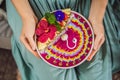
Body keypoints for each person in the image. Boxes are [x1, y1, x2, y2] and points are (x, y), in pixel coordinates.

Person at [6, 0, 120, 80]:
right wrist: (27, 17)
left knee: (93, 66)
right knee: (51, 69)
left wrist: (96, 17)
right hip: (27, 4)